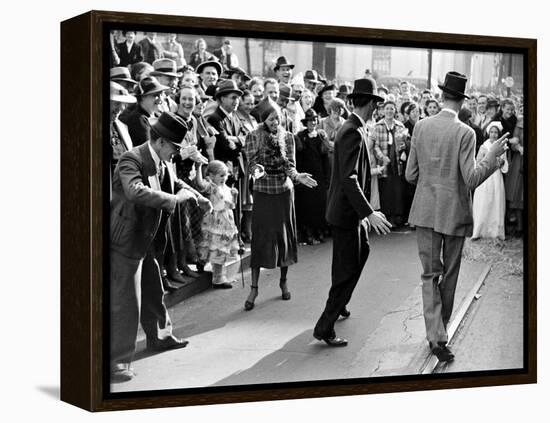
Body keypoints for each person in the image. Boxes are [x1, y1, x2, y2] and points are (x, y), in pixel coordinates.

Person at [405, 71, 509, 363]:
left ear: (441, 96)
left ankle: (435, 334)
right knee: (448, 276)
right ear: (462, 101)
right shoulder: (466, 133)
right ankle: (440, 335)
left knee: (429, 275)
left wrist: (431, 184)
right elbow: (472, 179)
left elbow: (410, 174)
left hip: (425, 211)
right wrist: (493, 159)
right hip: (454, 214)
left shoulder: (421, 127)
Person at [110, 112, 212, 383]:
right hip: (127, 238)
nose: (177, 154)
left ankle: (160, 337)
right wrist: (175, 200)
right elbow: (135, 191)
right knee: (126, 301)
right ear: (161, 142)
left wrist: (198, 197)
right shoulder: (131, 158)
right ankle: (118, 360)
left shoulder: (162, 159)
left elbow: (172, 182)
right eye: (175, 148)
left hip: (148, 237)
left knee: (153, 290)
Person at [313, 78, 391, 347]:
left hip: (348, 212)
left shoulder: (355, 127)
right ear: (370, 104)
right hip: (347, 213)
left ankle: (340, 302)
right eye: (376, 104)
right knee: (346, 269)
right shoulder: (353, 131)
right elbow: (349, 178)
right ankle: (325, 326)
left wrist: (364, 214)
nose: (376, 109)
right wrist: (369, 213)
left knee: (361, 253)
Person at [243, 98, 318, 311]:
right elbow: (251, 166)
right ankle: (254, 287)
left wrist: (297, 176)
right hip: (263, 192)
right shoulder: (253, 137)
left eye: (278, 117)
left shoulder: (288, 138)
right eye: (271, 118)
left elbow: (290, 166)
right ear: (264, 120)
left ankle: (283, 282)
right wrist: (258, 171)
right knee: (261, 238)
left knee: (284, 238)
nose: (276, 122)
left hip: (284, 192)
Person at [195, 160, 241, 288]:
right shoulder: (211, 186)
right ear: (211, 176)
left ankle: (218, 276)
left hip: (226, 223)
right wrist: (198, 167)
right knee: (213, 247)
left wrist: (235, 196)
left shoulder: (226, 188)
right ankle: (210, 270)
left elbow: (232, 206)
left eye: (225, 175)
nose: (224, 178)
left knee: (220, 250)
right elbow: (200, 185)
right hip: (214, 222)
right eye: (221, 175)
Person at [295, 109, 331, 245]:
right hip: (305, 176)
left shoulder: (321, 136)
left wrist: (327, 178)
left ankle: (319, 232)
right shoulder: (300, 136)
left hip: (319, 176)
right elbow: (298, 157)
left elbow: (325, 158)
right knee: (306, 206)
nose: (313, 123)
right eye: (310, 121)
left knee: (320, 205)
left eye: (315, 120)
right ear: (306, 122)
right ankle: (308, 233)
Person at [372, 100, 409, 227]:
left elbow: (405, 143)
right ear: (383, 111)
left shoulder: (400, 126)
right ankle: (387, 217)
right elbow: (375, 146)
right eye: (387, 108)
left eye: (392, 109)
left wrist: (403, 146)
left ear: (395, 111)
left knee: (398, 189)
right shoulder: (378, 126)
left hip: (397, 162)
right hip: (384, 163)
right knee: (386, 190)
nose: (389, 111)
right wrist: (382, 157)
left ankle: (397, 216)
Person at [472, 121, 509, 240]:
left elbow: (504, 162)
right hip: (485, 177)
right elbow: (478, 162)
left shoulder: (501, 146)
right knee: (483, 201)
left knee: (496, 201)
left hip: (496, 176)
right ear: (488, 133)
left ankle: (496, 232)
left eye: (496, 132)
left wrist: (500, 162)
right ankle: (479, 230)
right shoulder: (484, 146)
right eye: (491, 132)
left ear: (498, 134)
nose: (493, 134)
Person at [120, 76, 169, 146]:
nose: (160, 99)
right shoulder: (138, 119)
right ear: (143, 97)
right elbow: (148, 149)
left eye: (161, 94)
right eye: (156, 95)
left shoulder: (158, 115)